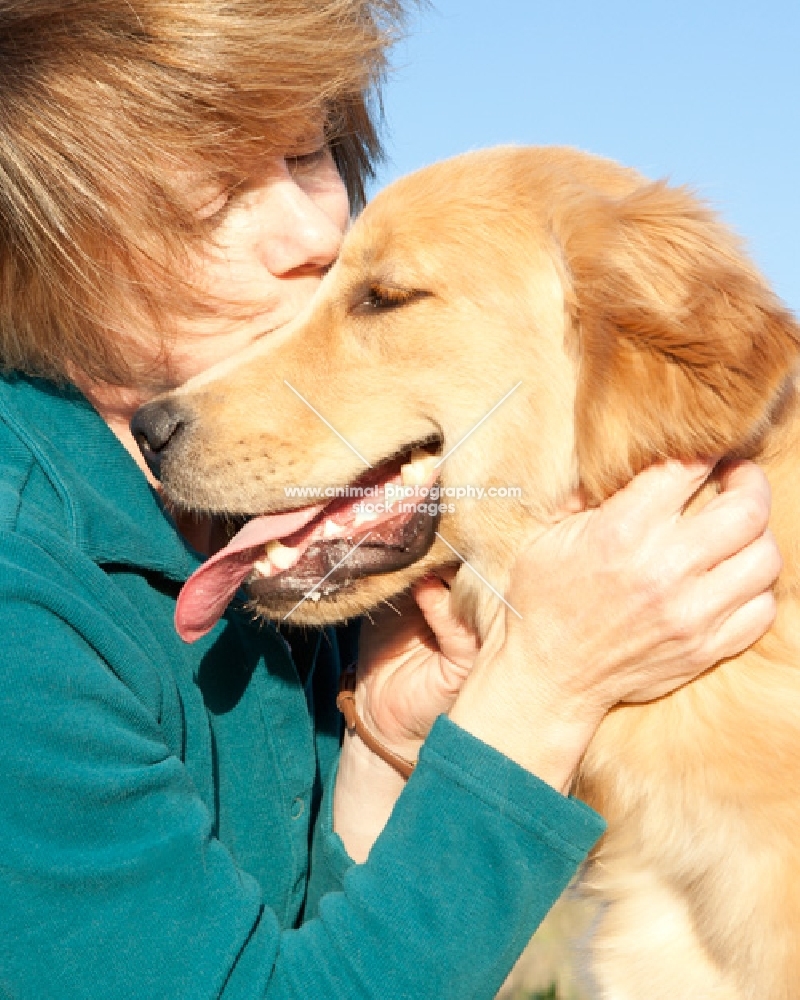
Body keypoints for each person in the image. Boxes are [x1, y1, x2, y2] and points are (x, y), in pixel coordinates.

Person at [0, 2, 780, 997]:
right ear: (55, 250)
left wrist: (385, 749)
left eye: (310, 154)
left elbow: (301, 933)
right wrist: (543, 683)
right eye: (209, 201)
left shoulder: (314, 523)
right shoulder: (18, 593)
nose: (315, 230)